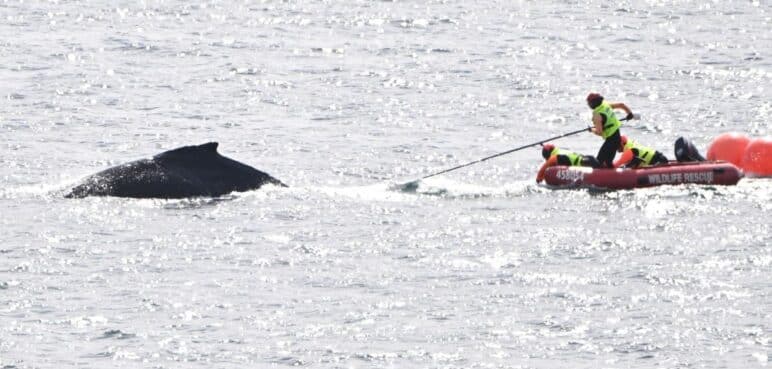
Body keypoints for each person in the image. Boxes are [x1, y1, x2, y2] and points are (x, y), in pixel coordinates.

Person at [587, 93, 634, 168]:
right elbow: (621, 105)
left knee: (598, 162)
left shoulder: (597, 115)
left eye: (588, 103)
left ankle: (597, 177)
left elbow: (600, 132)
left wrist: (591, 130)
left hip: (611, 140)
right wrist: (629, 113)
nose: (588, 105)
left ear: (593, 103)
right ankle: (614, 177)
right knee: (608, 162)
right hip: (617, 138)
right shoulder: (605, 105)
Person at [536, 143, 600, 183]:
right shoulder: (560, 151)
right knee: (601, 165)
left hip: (586, 162)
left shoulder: (554, 156)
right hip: (588, 158)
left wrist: (539, 178)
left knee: (598, 166)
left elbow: (547, 164)